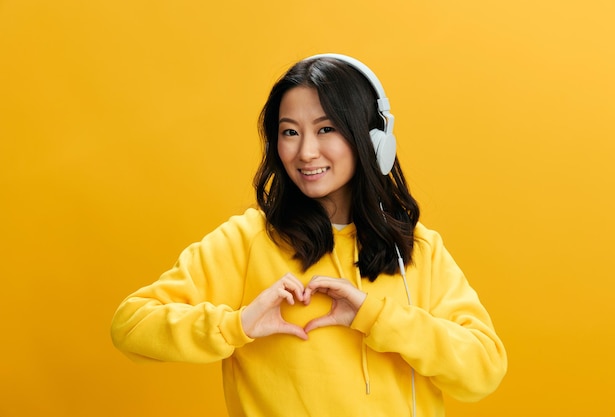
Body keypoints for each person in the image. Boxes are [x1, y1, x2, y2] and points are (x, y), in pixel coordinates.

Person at [111, 53, 507, 417]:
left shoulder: (416, 248)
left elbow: (483, 370)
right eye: (289, 132)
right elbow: (131, 326)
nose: (306, 152)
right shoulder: (248, 239)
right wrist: (238, 325)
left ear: (372, 139)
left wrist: (375, 317)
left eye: (326, 128)